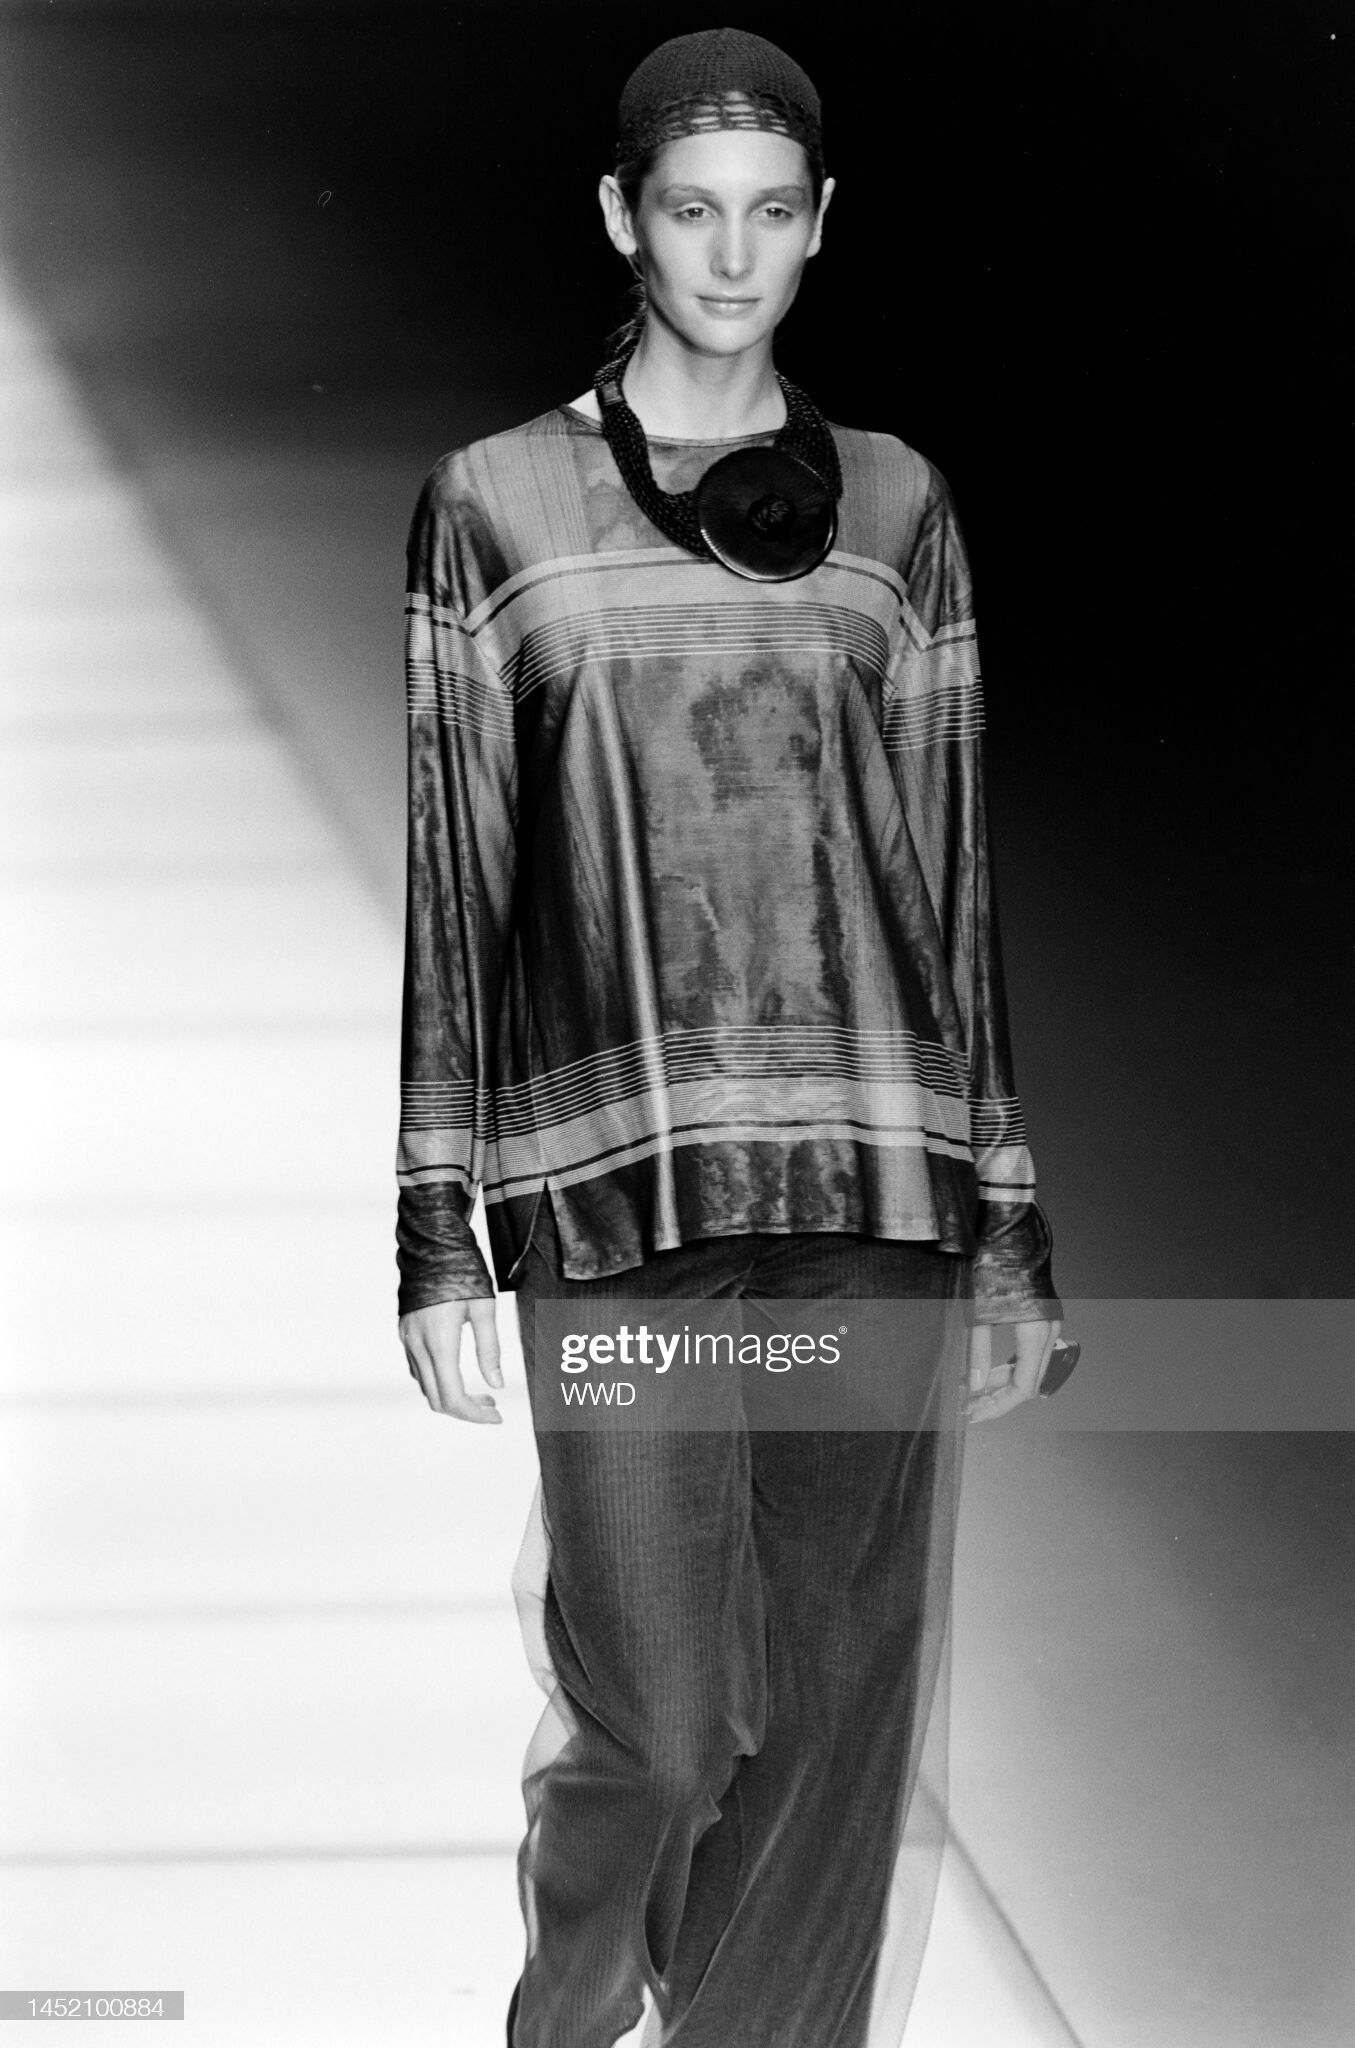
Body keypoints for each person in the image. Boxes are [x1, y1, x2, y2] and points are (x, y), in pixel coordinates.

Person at [396, 27, 1068, 2047]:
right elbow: (457, 879)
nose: (729, 254)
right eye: (691, 210)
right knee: (669, 1719)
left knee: (838, 1712)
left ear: (822, 225)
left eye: (772, 214)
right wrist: (436, 1230)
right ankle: (571, 2009)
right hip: (616, 1198)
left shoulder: (900, 509)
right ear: (623, 216)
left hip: (869, 1192)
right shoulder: (494, 506)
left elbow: (948, 881)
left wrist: (1009, 1230)